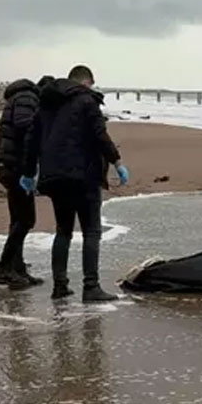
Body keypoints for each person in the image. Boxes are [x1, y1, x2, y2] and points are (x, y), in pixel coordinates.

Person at [23, 65, 129, 302]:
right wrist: (117, 162)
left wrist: (29, 173)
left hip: (54, 178)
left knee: (63, 231)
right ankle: (91, 287)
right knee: (92, 231)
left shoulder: (46, 103)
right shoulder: (86, 101)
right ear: (86, 82)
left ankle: (60, 286)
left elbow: (32, 141)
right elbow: (100, 135)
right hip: (84, 177)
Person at [0, 77, 48, 290]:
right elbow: (25, 126)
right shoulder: (27, 98)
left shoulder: (19, 97)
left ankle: (17, 268)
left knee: (19, 219)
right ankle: (4, 269)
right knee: (25, 220)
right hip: (15, 167)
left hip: (9, 165)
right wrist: (30, 169)